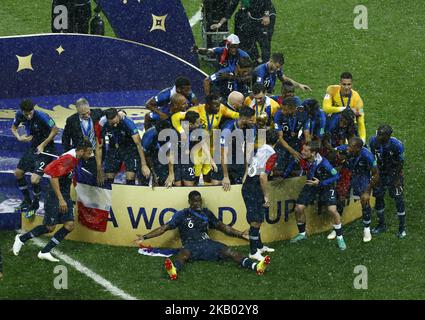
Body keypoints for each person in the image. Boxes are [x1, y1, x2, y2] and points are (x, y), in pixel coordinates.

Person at [134, 191, 271, 280]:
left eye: (199, 201)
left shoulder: (206, 213)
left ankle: (256, 266)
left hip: (208, 244)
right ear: (189, 202)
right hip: (190, 245)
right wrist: (145, 237)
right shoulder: (181, 214)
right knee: (183, 254)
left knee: (230, 252)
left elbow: (223, 227)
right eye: (195, 201)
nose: (197, 203)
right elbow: (163, 228)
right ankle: (174, 270)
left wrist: (240, 234)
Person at [12, 141, 93, 262]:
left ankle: (45, 251)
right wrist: (61, 199)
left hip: (64, 194)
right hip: (55, 196)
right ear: (81, 151)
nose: (90, 155)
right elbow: (53, 177)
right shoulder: (68, 159)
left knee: (69, 225)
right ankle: (21, 238)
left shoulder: (75, 157)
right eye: (89, 153)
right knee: (50, 227)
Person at [286, 141, 345, 250]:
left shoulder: (324, 163)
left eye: (305, 150)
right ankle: (302, 234)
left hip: (325, 185)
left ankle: (340, 237)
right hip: (311, 184)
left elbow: (337, 176)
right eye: (302, 149)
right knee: (298, 208)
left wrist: (321, 183)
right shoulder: (303, 158)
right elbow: (292, 165)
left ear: (313, 153)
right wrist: (285, 175)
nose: (302, 152)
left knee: (332, 210)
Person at [172, 94, 239, 184]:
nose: (218, 108)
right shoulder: (196, 111)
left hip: (211, 147)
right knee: (193, 176)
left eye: (219, 105)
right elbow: (175, 117)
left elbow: (235, 115)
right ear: (208, 105)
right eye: (216, 106)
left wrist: (252, 117)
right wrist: (181, 132)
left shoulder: (221, 108)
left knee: (209, 174)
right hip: (196, 148)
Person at [11, 99, 59, 217]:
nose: (28, 116)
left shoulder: (42, 116)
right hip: (33, 147)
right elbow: (14, 128)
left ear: (33, 110)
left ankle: (35, 203)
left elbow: (55, 129)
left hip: (46, 149)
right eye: (25, 114)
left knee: (34, 180)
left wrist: (43, 145)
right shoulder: (19, 114)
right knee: (18, 173)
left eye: (30, 113)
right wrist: (18, 137)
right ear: (22, 112)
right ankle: (27, 200)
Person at [242, 128, 279, 261]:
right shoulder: (272, 154)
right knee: (256, 221)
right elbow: (263, 176)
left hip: (249, 186)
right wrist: (266, 196)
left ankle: (259, 246)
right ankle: (253, 251)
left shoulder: (259, 148)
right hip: (254, 188)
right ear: (277, 140)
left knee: (258, 219)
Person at [335, 137, 379, 242]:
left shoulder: (367, 156)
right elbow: (333, 152)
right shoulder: (345, 149)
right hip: (347, 174)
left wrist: (368, 189)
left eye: (351, 147)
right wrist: (338, 156)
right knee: (340, 199)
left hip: (361, 176)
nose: (348, 148)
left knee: (364, 199)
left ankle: (366, 229)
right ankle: (337, 227)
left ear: (358, 149)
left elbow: (376, 173)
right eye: (348, 145)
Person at [95, 108, 150, 185]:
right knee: (108, 179)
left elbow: (138, 144)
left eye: (116, 122)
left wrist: (144, 165)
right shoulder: (102, 124)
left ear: (118, 116)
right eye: (112, 123)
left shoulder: (128, 123)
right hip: (113, 149)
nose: (115, 125)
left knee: (130, 179)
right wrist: (99, 170)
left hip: (129, 149)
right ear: (107, 120)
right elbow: (99, 147)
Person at [369, 125, 406, 238]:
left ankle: (402, 228)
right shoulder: (373, 141)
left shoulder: (397, 145)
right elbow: (373, 158)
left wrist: (396, 179)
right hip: (380, 174)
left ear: (388, 136)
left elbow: (400, 163)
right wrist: (375, 174)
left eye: (380, 134)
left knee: (398, 199)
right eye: (378, 133)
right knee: (379, 197)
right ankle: (381, 225)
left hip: (393, 174)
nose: (378, 136)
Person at [211, 0, 276, 64]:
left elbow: (267, 2)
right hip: (253, 14)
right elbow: (232, 5)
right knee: (247, 36)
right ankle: (257, 59)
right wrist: (220, 23)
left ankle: (265, 65)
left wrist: (266, 15)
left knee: (264, 41)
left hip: (267, 15)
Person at [220, 106, 256, 190]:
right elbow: (222, 154)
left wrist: (246, 172)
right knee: (222, 184)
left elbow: (249, 151)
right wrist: (225, 176)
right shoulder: (228, 128)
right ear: (243, 118)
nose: (253, 122)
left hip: (238, 157)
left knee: (240, 183)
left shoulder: (251, 128)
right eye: (251, 119)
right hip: (223, 156)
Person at [323, 72, 366, 142]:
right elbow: (326, 108)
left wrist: (363, 140)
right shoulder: (332, 90)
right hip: (333, 122)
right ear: (340, 83)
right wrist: (346, 109)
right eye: (344, 84)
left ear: (352, 84)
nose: (346, 87)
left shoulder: (357, 99)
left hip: (349, 124)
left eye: (349, 84)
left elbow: (361, 121)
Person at [273, 97, 309, 175]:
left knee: (295, 170)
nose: (282, 111)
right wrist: (292, 151)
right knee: (278, 171)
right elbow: (279, 137)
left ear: (294, 109)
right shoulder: (278, 115)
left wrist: (307, 149)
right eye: (282, 109)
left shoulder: (303, 114)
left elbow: (307, 134)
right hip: (282, 143)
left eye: (285, 110)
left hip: (295, 142)